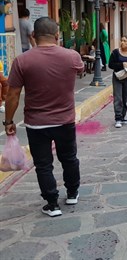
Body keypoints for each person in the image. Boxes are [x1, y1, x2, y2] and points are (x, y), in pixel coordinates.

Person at [5, 17, 84, 217]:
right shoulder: (72, 57)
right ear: (57, 36)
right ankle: (73, 193)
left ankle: (52, 203)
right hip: (65, 120)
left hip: (36, 123)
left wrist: (8, 121)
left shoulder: (22, 61)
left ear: (33, 36)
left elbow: (12, 95)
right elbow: (81, 70)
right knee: (69, 158)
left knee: (43, 164)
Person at [109, 35, 127, 128]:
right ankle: (118, 118)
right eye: (121, 40)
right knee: (118, 98)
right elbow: (110, 65)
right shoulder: (116, 52)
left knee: (125, 98)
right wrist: (121, 64)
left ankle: (123, 117)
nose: (122, 42)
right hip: (117, 77)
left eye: (125, 41)